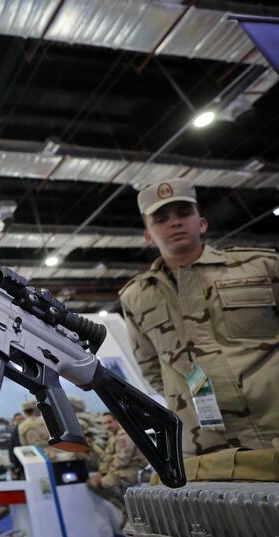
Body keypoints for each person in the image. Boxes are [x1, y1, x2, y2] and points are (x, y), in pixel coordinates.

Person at [119, 178, 279, 457]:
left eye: (184, 213)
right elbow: (153, 371)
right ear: (147, 235)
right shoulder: (136, 296)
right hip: (207, 448)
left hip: (273, 428)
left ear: (202, 223)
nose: (175, 222)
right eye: (161, 218)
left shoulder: (260, 268)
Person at [88, 413, 147, 514]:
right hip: (122, 469)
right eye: (105, 423)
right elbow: (106, 458)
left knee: (106, 482)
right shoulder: (113, 437)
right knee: (92, 483)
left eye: (110, 422)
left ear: (117, 421)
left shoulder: (124, 436)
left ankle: (132, 509)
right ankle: (123, 507)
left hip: (136, 469)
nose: (107, 426)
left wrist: (104, 475)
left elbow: (122, 459)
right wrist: (101, 472)